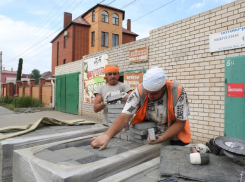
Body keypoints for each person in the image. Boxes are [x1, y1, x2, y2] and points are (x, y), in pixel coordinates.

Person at [91, 66, 191, 150]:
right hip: (153, 131)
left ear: (164, 87)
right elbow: (124, 116)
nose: (150, 96)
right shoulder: (139, 90)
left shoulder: (176, 90)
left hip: (176, 136)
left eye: (154, 93)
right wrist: (107, 135)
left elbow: (180, 122)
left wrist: (162, 138)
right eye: (147, 92)